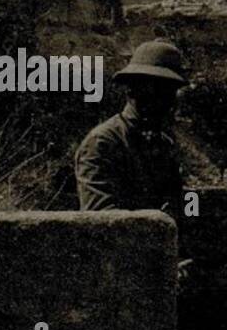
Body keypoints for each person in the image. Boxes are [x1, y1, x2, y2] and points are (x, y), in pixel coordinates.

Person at [74, 40, 187, 217]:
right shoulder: (103, 142)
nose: (169, 100)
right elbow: (101, 218)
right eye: (158, 88)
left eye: (170, 90)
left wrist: (196, 212)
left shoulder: (164, 144)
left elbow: (181, 203)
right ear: (132, 89)